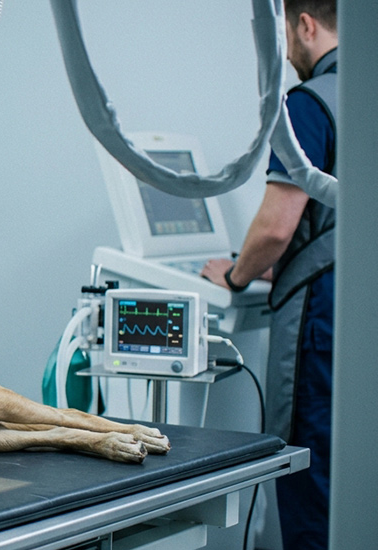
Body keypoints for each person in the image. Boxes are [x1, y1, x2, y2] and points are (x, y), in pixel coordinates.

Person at [200, 1, 336, 547]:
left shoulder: (309, 102)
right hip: (352, 307)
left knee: (311, 465)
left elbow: (277, 226)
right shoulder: (364, 95)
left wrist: (236, 275)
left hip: (319, 320)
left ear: (305, 24)